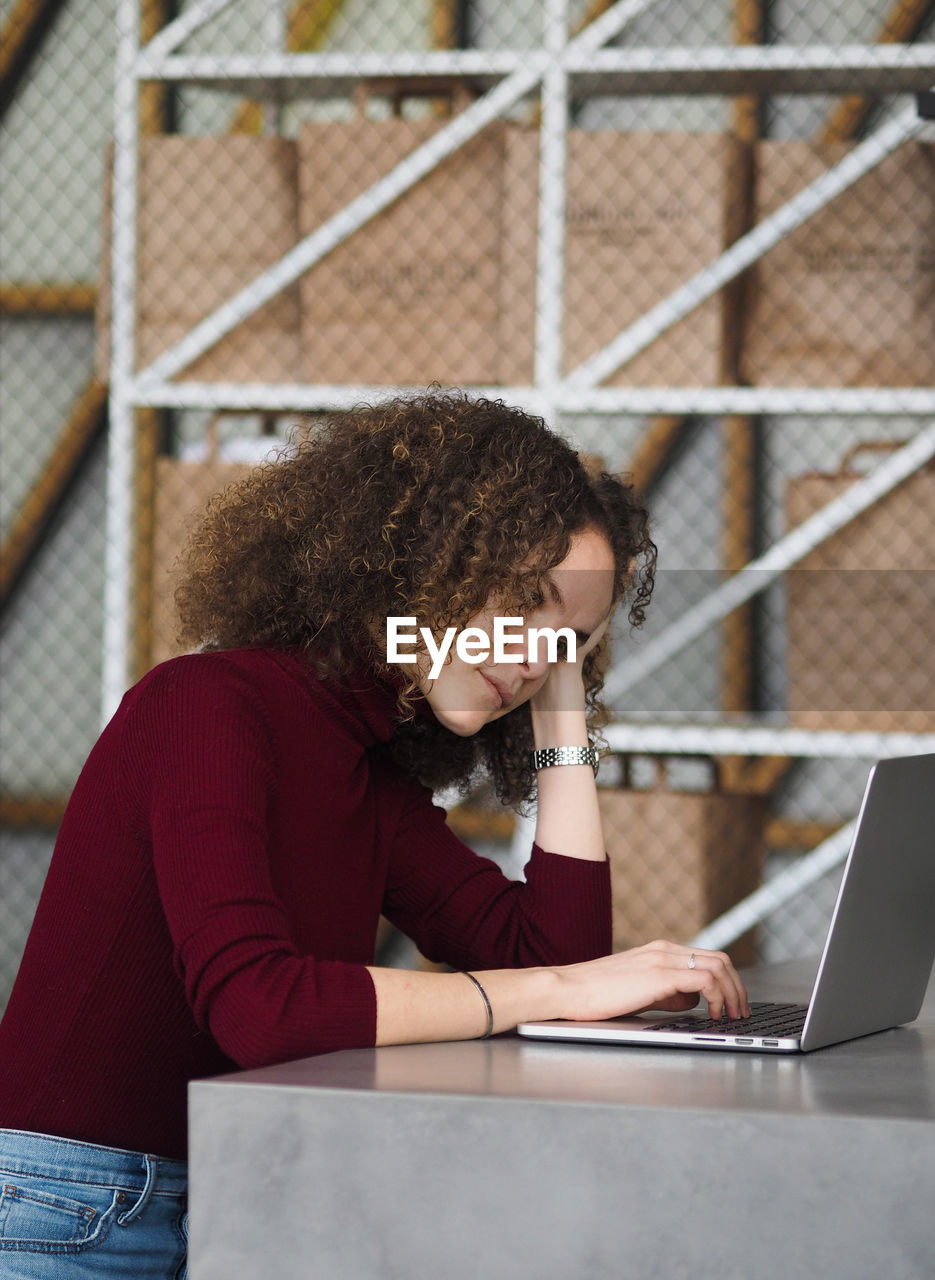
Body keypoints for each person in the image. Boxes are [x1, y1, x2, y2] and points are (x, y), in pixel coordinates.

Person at [0, 390, 748, 1277]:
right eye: (525, 602)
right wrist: (560, 987)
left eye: (571, 640)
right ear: (421, 565)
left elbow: (555, 951)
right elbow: (261, 1008)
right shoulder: (205, 705)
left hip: (234, 1189)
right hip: (62, 1206)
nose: (536, 651)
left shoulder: (368, 767)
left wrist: (562, 713)